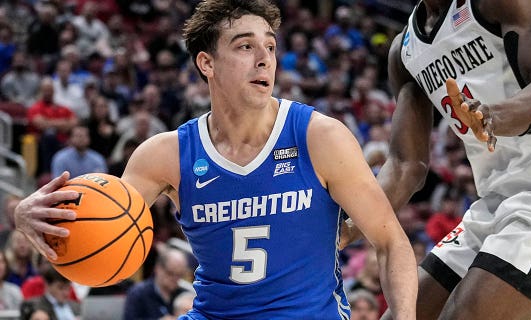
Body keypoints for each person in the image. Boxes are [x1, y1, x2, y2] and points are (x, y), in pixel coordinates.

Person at [13, 1, 418, 319]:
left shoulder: (319, 137)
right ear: (206, 63)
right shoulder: (166, 154)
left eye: (271, 46)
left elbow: (391, 242)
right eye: (245, 46)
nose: (265, 58)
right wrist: (32, 218)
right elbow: (98, 224)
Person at [346, 0, 531, 319]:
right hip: (496, 204)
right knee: (402, 314)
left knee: (466, 314)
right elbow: (405, 166)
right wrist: (351, 222)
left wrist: (492, 116)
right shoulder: (405, 49)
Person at [123, 248, 189, 320]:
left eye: (180, 275)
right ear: (158, 268)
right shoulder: (138, 293)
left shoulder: (183, 294)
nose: (175, 279)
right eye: (170, 273)